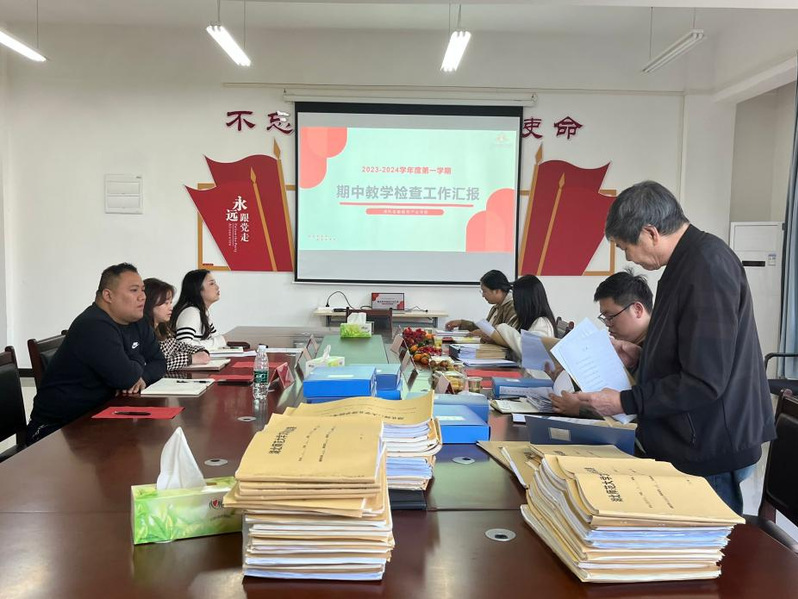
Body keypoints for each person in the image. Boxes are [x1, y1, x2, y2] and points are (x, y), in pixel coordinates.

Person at [557, 180, 776, 514]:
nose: (628, 258)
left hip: (711, 442)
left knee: (700, 544)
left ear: (650, 233)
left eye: (625, 247)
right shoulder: (685, 263)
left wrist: (623, 401)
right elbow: (692, 349)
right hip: (694, 434)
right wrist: (643, 356)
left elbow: (704, 381)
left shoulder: (707, 267)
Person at [26, 263, 167, 443]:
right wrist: (138, 358)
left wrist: (143, 377)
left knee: (154, 439)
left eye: (143, 290)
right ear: (108, 295)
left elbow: (159, 363)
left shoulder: (137, 322)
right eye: (134, 290)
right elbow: (126, 378)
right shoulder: (93, 325)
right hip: (59, 430)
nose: (142, 296)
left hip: (99, 418)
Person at [551, 269, 652, 417]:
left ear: (637, 310)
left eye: (610, 317)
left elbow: (641, 409)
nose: (607, 325)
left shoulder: (658, 350)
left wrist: (581, 409)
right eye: (604, 318)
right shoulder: (626, 347)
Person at [143, 278, 211, 371]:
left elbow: (177, 345)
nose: (171, 307)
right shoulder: (143, 332)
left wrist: (200, 350)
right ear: (149, 304)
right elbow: (160, 363)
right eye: (166, 303)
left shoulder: (162, 328)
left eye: (170, 303)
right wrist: (191, 359)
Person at [492, 275, 555, 358]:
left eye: (516, 299)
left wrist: (502, 327)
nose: (514, 302)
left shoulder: (542, 323)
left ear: (524, 301)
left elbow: (527, 350)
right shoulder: (525, 319)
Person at [445, 270, 519, 338]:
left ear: (497, 291)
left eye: (484, 291)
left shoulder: (513, 307)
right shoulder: (496, 307)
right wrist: (462, 323)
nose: (483, 295)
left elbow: (507, 338)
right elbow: (485, 329)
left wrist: (483, 334)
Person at [171, 269, 227, 349]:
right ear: (197, 289)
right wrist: (219, 342)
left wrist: (221, 341)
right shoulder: (191, 312)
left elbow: (217, 338)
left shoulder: (203, 312)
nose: (217, 287)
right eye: (211, 284)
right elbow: (183, 345)